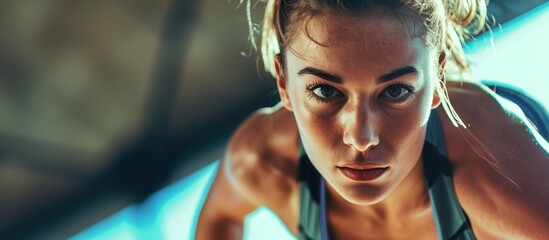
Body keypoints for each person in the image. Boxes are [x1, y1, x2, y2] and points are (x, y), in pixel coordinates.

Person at [195, 0, 549, 239]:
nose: (361, 137)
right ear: (284, 83)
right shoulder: (263, 159)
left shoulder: (497, 174)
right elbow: (219, 219)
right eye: (325, 92)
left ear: (437, 78)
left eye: (395, 92)